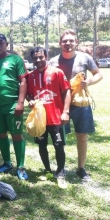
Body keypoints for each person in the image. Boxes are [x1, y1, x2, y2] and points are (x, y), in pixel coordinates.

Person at [49, 29, 103, 182]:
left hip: (80, 102)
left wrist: (89, 82)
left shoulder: (85, 57)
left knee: (82, 135)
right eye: (65, 41)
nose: (68, 43)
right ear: (60, 43)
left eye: (71, 40)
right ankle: (61, 167)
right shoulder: (53, 61)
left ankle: (81, 168)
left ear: (76, 42)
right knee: (60, 138)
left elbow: (98, 74)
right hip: (60, 104)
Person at [0, 34, 29, 180]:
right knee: (1, 134)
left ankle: (21, 166)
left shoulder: (15, 59)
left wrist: (20, 102)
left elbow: (23, 81)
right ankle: (7, 163)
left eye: (1, 43)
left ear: (6, 44)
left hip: (12, 105)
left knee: (16, 134)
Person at [26, 47, 71, 188]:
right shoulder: (31, 76)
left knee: (58, 145)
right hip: (40, 119)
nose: (38, 60)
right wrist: (30, 100)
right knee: (42, 145)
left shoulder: (57, 72)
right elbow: (29, 95)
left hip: (55, 117)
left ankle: (61, 172)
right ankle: (47, 170)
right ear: (32, 59)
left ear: (46, 56)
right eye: (35, 58)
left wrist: (66, 111)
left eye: (41, 57)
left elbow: (67, 91)